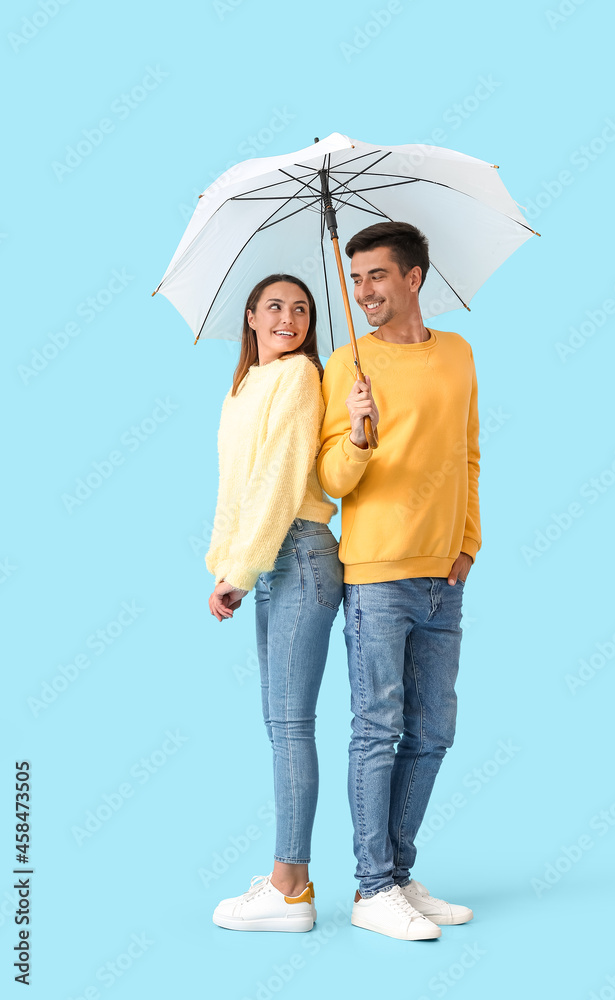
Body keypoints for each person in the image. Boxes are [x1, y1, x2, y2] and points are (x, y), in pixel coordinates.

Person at [317, 222, 482, 941]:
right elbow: (327, 480)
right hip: (378, 574)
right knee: (376, 729)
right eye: (356, 279)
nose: (364, 292)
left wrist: (468, 545)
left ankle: (398, 873)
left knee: (433, 732)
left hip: (443, 577)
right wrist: (355, 433)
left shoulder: (458, 354)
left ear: (413, 278)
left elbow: (468, 455)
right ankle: (371, 886)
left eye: (377, 276)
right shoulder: (344, 363)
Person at [206, 274, 343, 933]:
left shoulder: (297, 377)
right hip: (269, 561)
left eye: (301, 308)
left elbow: (282, 479)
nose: (288, 317)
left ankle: (291, 890)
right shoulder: (243, 388)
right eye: (275, 306)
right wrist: (225, 568)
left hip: (297, 552)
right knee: (278, 724)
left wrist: (244, 567)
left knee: (290, 726)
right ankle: (291, 880)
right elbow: (235, 487)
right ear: (252, 318)